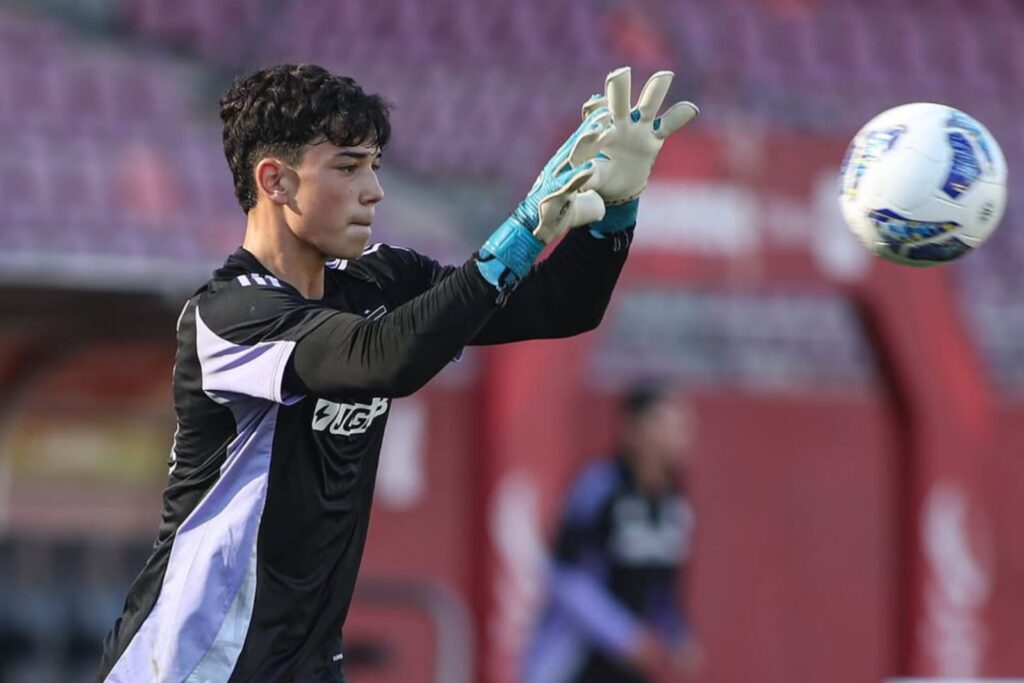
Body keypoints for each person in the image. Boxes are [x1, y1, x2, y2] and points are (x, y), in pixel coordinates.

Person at [97, 63, 697, 683]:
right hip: (190, 665)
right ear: (274, 181)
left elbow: (561, 307)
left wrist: (616, 213)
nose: (374, 190)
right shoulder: (228, 315)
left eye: (376, 166)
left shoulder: (382, 280)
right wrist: (522, 229)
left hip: (305, 665)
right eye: (348, 166)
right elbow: (385, 357)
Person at [524, 385, 701, 683]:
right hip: (576, 657)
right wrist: (620, 632)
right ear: (634, 429)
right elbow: (563, 573)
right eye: (666, 424)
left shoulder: (675, 503)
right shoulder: (599, 487)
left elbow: (663, 587)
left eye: (682, 425)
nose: (677, 435)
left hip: (630, 665)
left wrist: (677, 635)